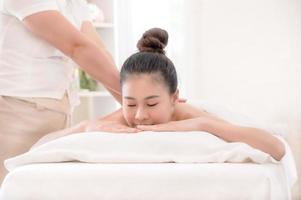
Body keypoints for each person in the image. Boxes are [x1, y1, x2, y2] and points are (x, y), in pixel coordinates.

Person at [32, 27, 286, 163]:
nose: (140, 115)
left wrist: (203, 123)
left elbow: (275, 147)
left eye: (152, 103)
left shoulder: (186, 112)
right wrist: (86, 127)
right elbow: (39, 147)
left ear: (175, 97)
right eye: (130, 103)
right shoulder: (124, 118)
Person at [0, 0, 121, 184]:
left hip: (59, 109)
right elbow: (76, 47)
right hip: (16, 109)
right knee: (12, 186)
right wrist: (135, 102)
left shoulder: (74, 3)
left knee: (44, 187)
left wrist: (136, 102)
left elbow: (99, 50)